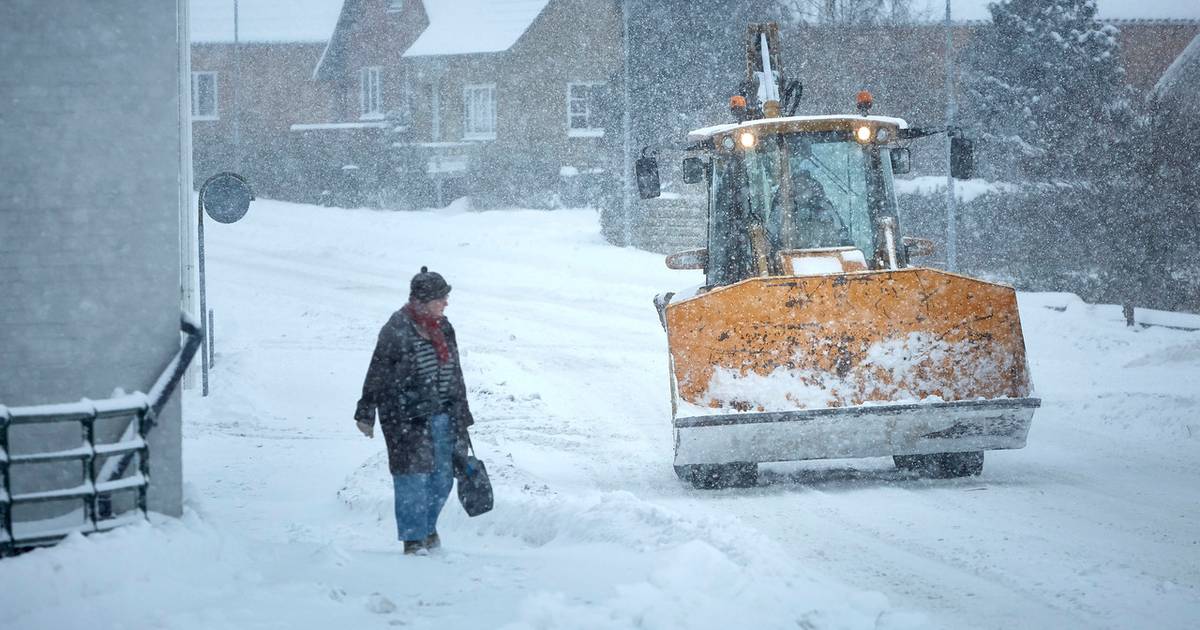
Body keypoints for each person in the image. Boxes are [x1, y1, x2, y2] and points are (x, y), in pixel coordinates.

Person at [354, 266, 475, 555]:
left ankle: (428, 527)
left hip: (444, 414)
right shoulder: (396, 328)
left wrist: (463, 413)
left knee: (443, 478)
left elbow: (456, 372)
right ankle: (414, 539)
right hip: (406, 416)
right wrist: (366, 411)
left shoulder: (444, 327)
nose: (446, 303)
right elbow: (377, 370)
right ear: (423, 300)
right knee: (412, 477)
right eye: (441, 298)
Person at [776, 170, 850, 250]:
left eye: (804, 183)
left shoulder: (825, 208)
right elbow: (772, 236)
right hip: (793, 254)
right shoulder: (783, 208)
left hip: (826, 254)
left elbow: (843, 237)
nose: (800, 187)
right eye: (797, 184)